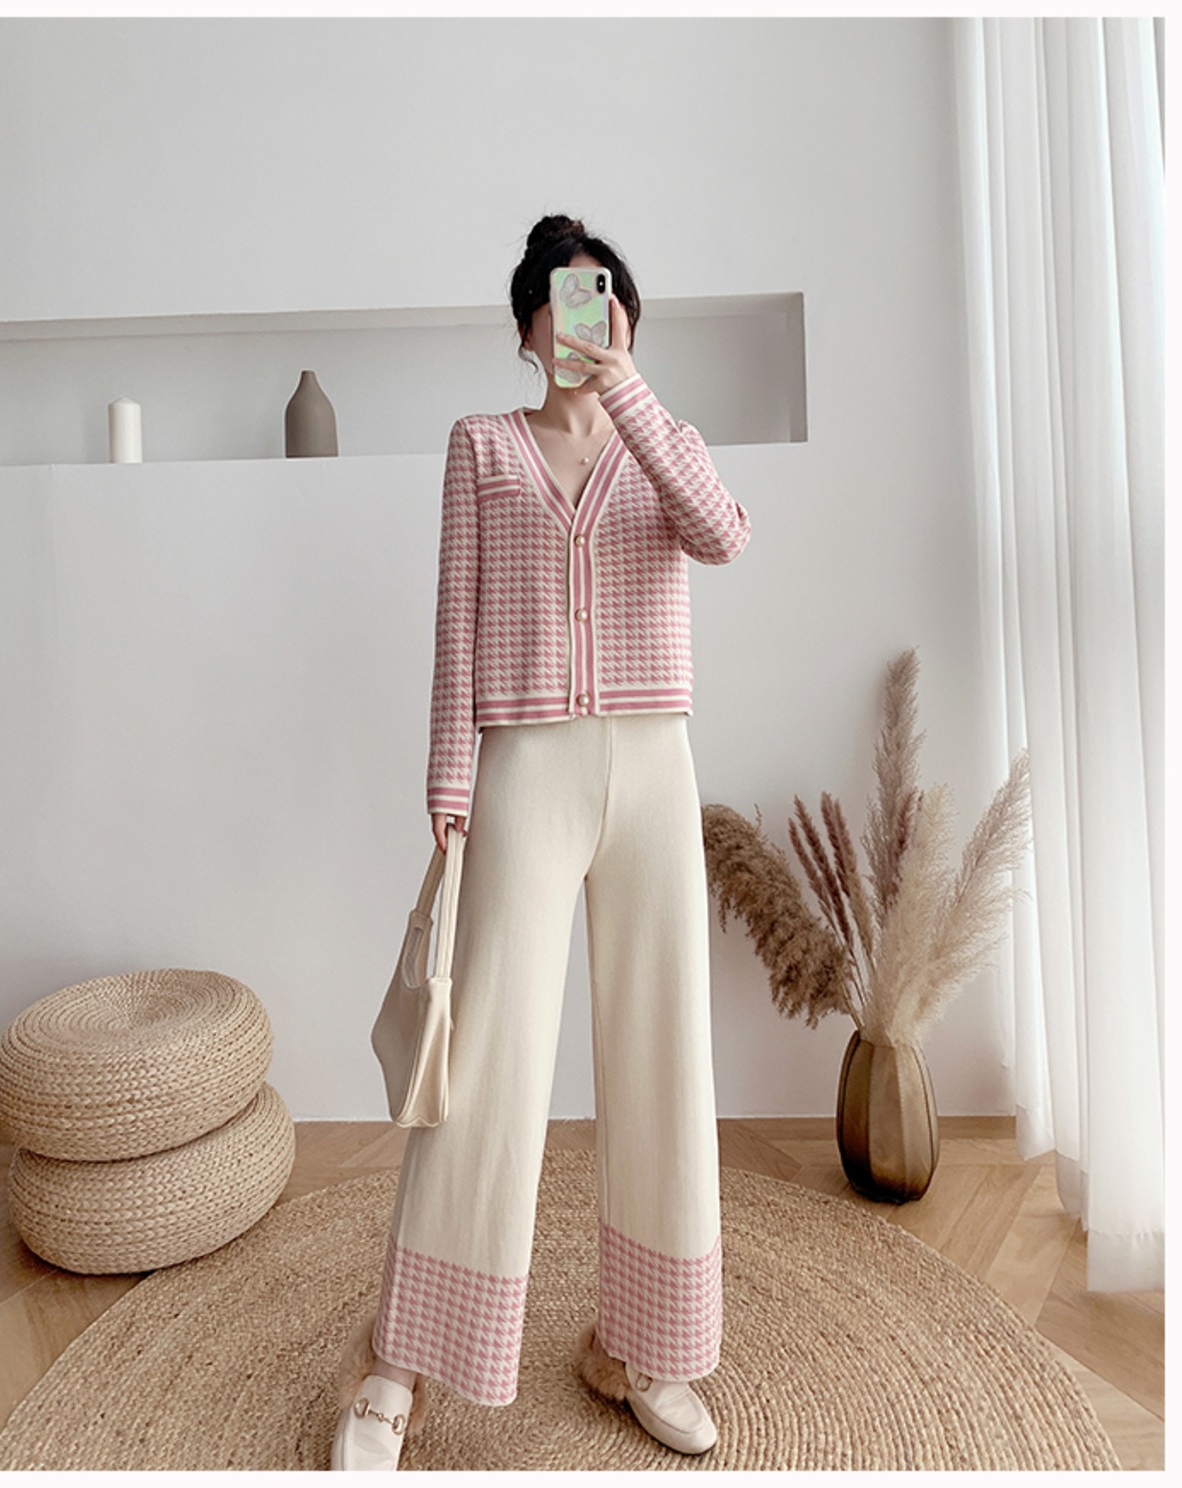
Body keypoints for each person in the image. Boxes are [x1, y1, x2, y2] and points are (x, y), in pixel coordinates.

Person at [331, 214, 751, 1471]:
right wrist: (448, 778)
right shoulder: (481, 446)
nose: (581, 320)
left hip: (653, 765)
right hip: (524, 766)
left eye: (600, 299)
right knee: (487, 1063)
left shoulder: (663, 439)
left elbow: (722, 535)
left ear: (622, 317)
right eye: (561, 303)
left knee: (662, 1051)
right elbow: (454, 622)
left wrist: (629, 392)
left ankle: (645, 1349)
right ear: (526, 326)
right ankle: (397, 1367)